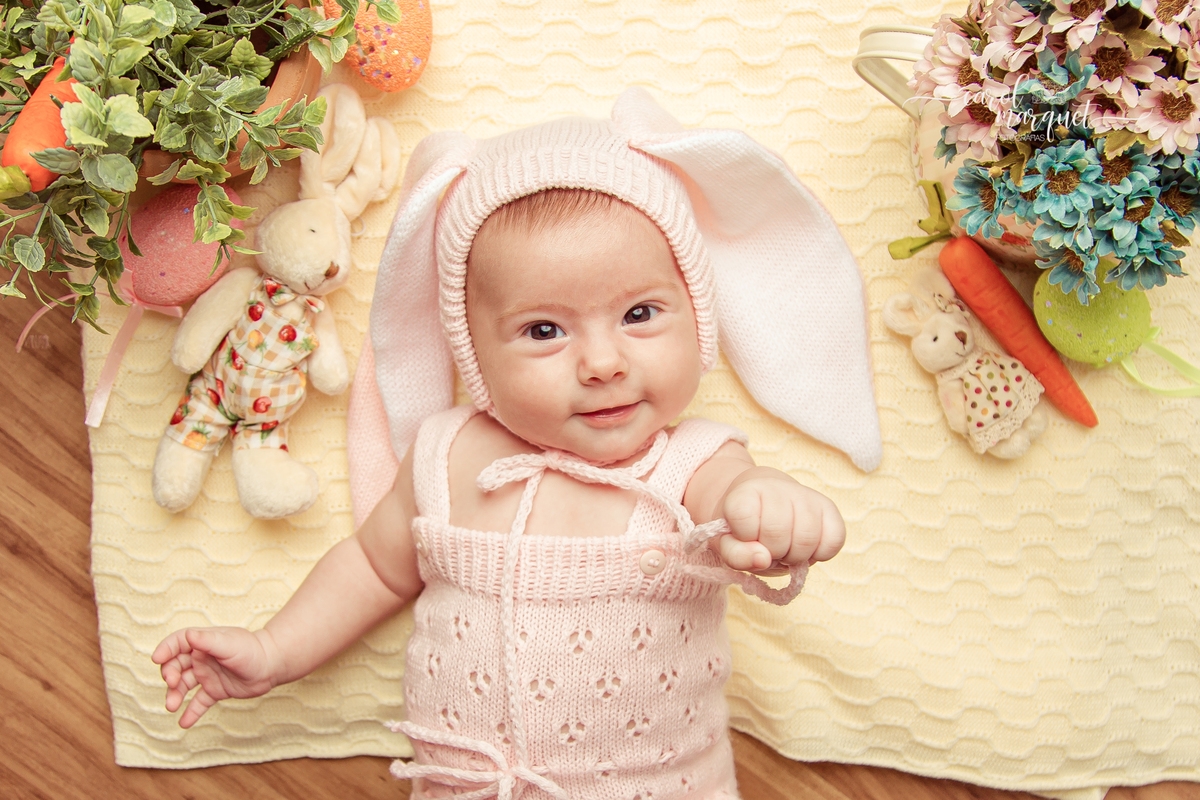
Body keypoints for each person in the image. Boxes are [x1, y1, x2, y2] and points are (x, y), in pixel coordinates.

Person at [154, 88, 881, 800]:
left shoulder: (692, 463)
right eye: (544, 331)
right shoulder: (448, 451)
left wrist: (772, 507)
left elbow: (738, 501)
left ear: (698, 316)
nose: (602, 362)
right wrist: (277, 652)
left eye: (639, 313)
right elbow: (374, 569)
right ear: (473, 353)